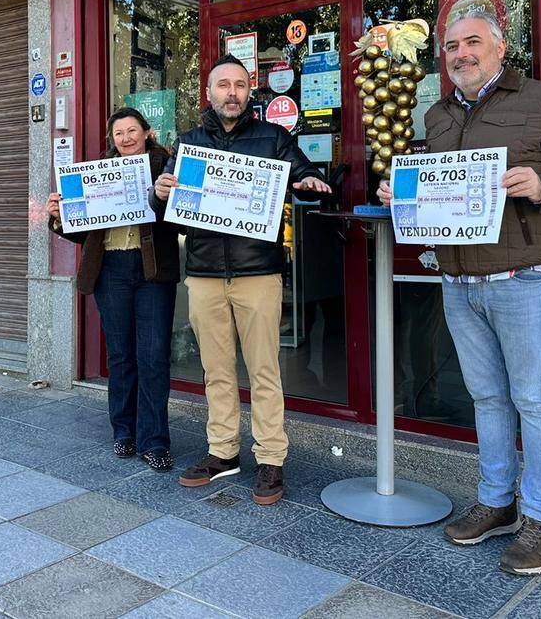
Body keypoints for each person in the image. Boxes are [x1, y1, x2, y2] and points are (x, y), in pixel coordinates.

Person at [379, 7, 541, 575]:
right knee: (486, 398)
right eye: (452, 46)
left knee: (534, 398)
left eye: (472, 42)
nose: (461, 53)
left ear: (499, 48)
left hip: (524, 277)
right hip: (459, 279)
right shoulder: (436, 115)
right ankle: (497, 502)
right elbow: (441, 189)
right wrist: (401, 194)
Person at [152, 54, 331, 505]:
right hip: (206, 273)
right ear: (208, 93)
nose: (231, 93)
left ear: (249, 91)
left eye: (238, 85)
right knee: (216, 371)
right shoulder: (189, 142)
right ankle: (222, 453)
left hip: (258, 271)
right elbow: (169, 212)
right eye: (222, 85)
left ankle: (271, 459)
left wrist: (309, 181)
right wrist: (160, 193)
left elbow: (301, 169)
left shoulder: (273, 136)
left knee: (264, 370)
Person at [48, 107, 180, 471]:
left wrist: (163, 194)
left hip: (153, 270)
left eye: (132, 130)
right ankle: (124, 432)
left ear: (146, 132)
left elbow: (182, 219)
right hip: (111, 271)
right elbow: (81, 231)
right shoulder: (96, 173)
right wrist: (59, 217)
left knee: (153, 356)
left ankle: (155, 440)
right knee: (121, 356)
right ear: (112, 138)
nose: (126, 138)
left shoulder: (166, 167)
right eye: (119, 133)